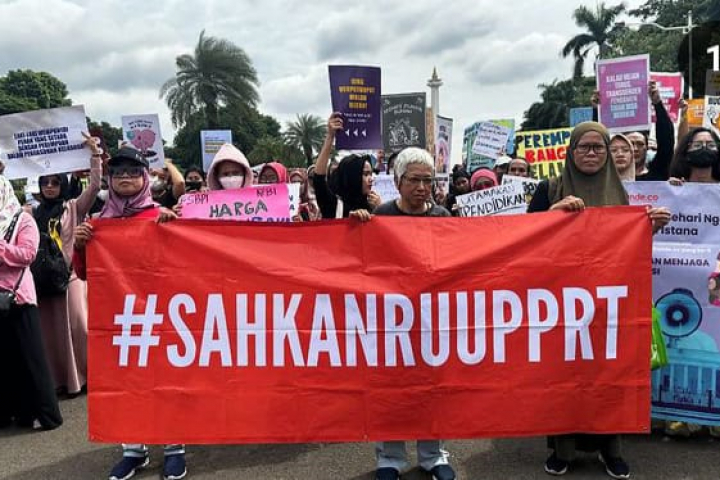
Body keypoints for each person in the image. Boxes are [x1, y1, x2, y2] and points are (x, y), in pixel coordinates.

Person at [527, 122, 670, 479]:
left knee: (609, 375)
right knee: (564, 375)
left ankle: (611, 448)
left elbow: (629, 248)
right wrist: (553, 214)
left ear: (608, 154)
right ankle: (563, 449)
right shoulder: (550, 189)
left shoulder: (622, 193)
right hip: (560, 302)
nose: (591, 154)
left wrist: (650, 227)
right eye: (583, 147)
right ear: (570, 152)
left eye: (598, 148)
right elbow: (523, 239)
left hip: (608, 303)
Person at [72, 146, 183, 480]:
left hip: (160, 315)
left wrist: (175, 231)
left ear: (145, 177)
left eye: (132, 172)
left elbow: (187, 265)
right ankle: (133, 450)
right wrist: (79, 246)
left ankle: (174, 446)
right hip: (119, 319)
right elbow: (84, 274)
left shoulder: (160, 215)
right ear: (110, 178)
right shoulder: (97, 224)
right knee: (125, 384)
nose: (125, 178)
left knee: (166, 380)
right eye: (118, 173)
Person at [350, 148, 454, 480]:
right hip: (390, 321)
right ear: (398, 181)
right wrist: (358, 225)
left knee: (432, 388)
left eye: (428, 180)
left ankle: (433, 456)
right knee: (390, 389)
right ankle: (390, 459)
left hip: (430, 319)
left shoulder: (442, 217)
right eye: (414, 180)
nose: (422, 187)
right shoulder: (380, 216)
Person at [34, 134, 102, 397]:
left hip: (71, 274)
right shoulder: (31, 212)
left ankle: (89, 376)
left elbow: (95, 187)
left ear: (62, 184)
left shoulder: (73, 207)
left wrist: (94, 154)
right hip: (41, 279)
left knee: (79, 325)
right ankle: (60, 380)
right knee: (52, 332)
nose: (50, 187)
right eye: (45, 183)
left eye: (54, 182)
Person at [0, 176, 63, 431]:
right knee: (5, 361)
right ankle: (13, 414)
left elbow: (27, 254)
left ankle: (47, 414)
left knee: (32, 358)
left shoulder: (21, 220)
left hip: (19, 298)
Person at [314, 113, 381, 218]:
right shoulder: (333, 205)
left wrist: (380, 210)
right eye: (365, 174)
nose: (371, 179)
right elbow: (318, 179)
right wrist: (330, 136)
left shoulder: (373, 206)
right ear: (352, 177)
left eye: (371, 174)